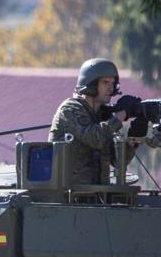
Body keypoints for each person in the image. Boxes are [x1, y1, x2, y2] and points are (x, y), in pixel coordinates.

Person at [49, 57, 145, 185]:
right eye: (105, 82)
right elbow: (96, 138)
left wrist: (133, 141)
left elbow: (116, 161)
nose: (111, 88)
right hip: (67, 193)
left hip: (97, 194)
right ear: (91, 84)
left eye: (113, 83)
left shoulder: (102, 115)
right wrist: (120, 116)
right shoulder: (70, 109)